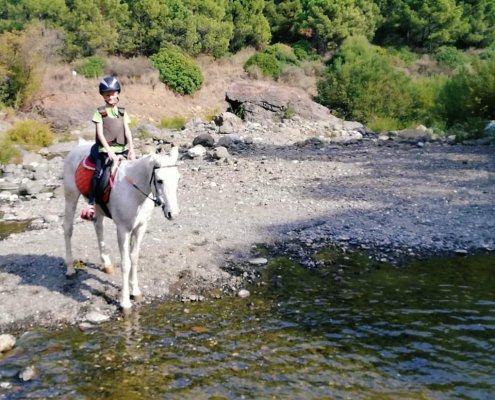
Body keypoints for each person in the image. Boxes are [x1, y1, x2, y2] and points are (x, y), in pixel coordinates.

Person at [81, 76, 135, 221]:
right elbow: (99, 133)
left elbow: (127, 131)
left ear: (117, 93)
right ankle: (91, 203)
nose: (110, 97)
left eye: (112, 93)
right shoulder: (100, 112)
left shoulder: (123, 112)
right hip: (105, 151)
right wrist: (109, 151)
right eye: (107, 94)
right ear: (103, 96)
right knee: (99, 173)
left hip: (122, 149)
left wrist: (131, 148)